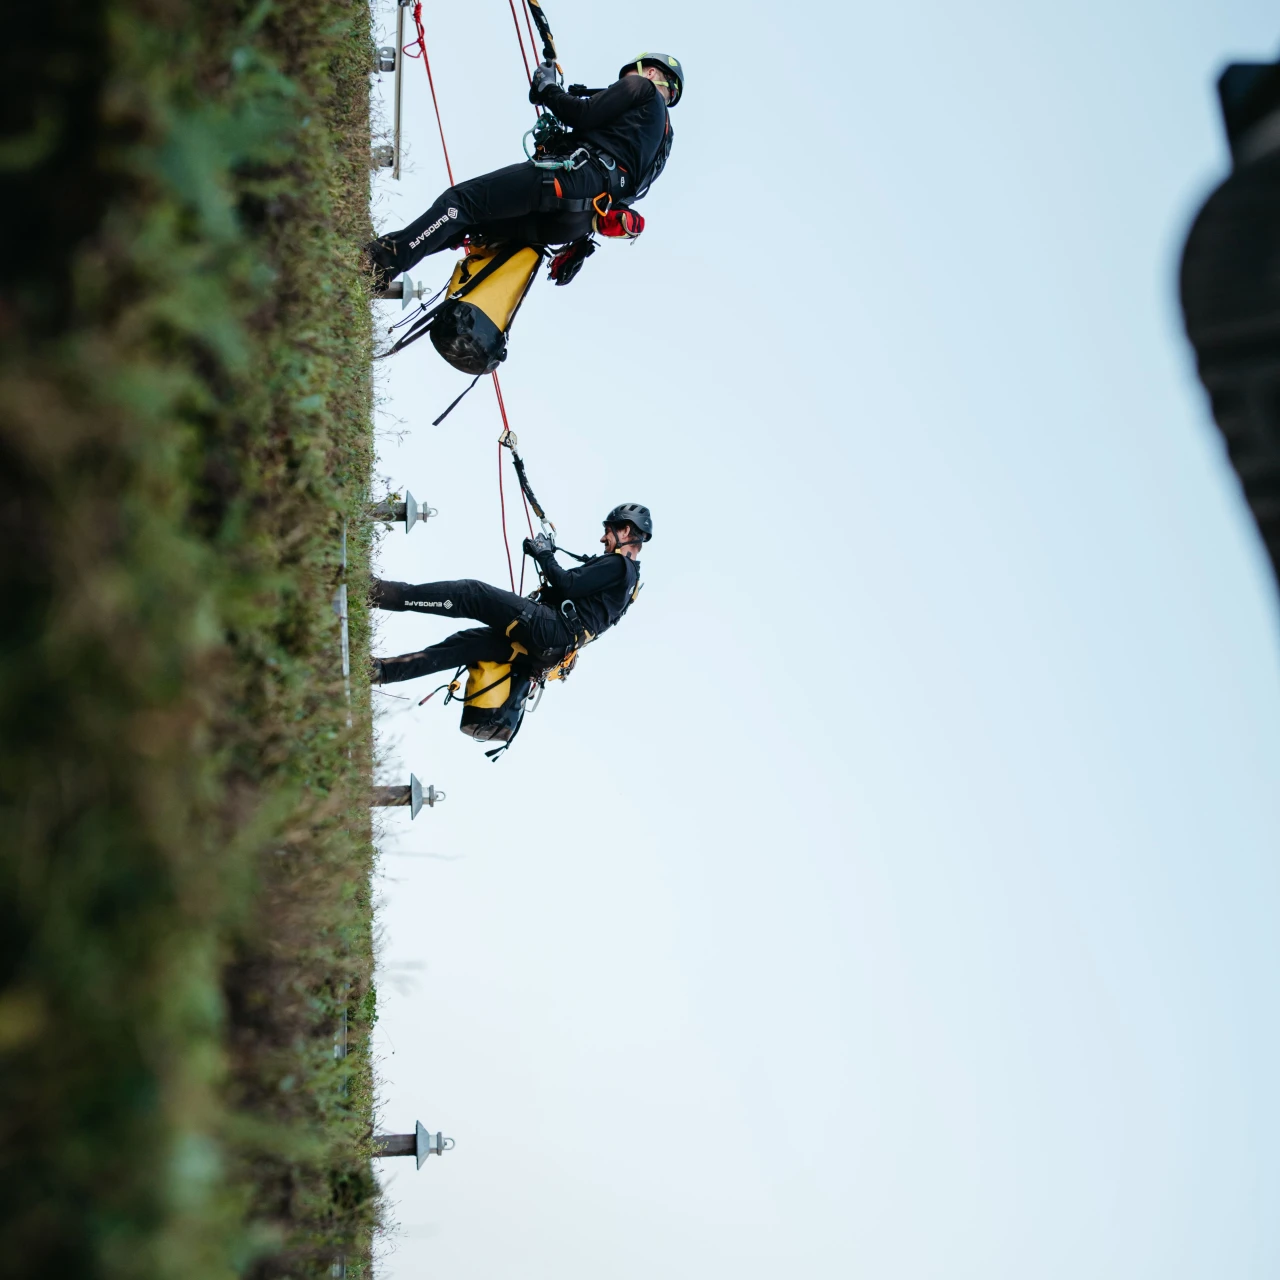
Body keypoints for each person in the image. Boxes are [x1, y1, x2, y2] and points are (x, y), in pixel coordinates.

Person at [365, 53, 683, 289]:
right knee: (469, 226)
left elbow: (583, 114)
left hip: (569, 181)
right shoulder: (660, 145)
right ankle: (381, 254)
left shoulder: (641, 87)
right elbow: (620, 187)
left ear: (651, 71)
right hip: (574, 223)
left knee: (461, 203)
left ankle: (379, 264)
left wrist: (547, 88)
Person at [371, 504, 652, 685]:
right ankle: (380, 672)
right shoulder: (629, 584)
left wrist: (544, 554)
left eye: (608, 532)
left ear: (626, 530)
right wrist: (545, 557)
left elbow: (567, 584)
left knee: (471, 593)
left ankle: (378, 593)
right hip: (549, 649)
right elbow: (573, 595)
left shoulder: (619, 565)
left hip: (550, 629)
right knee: (467, 645)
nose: (604, 539)